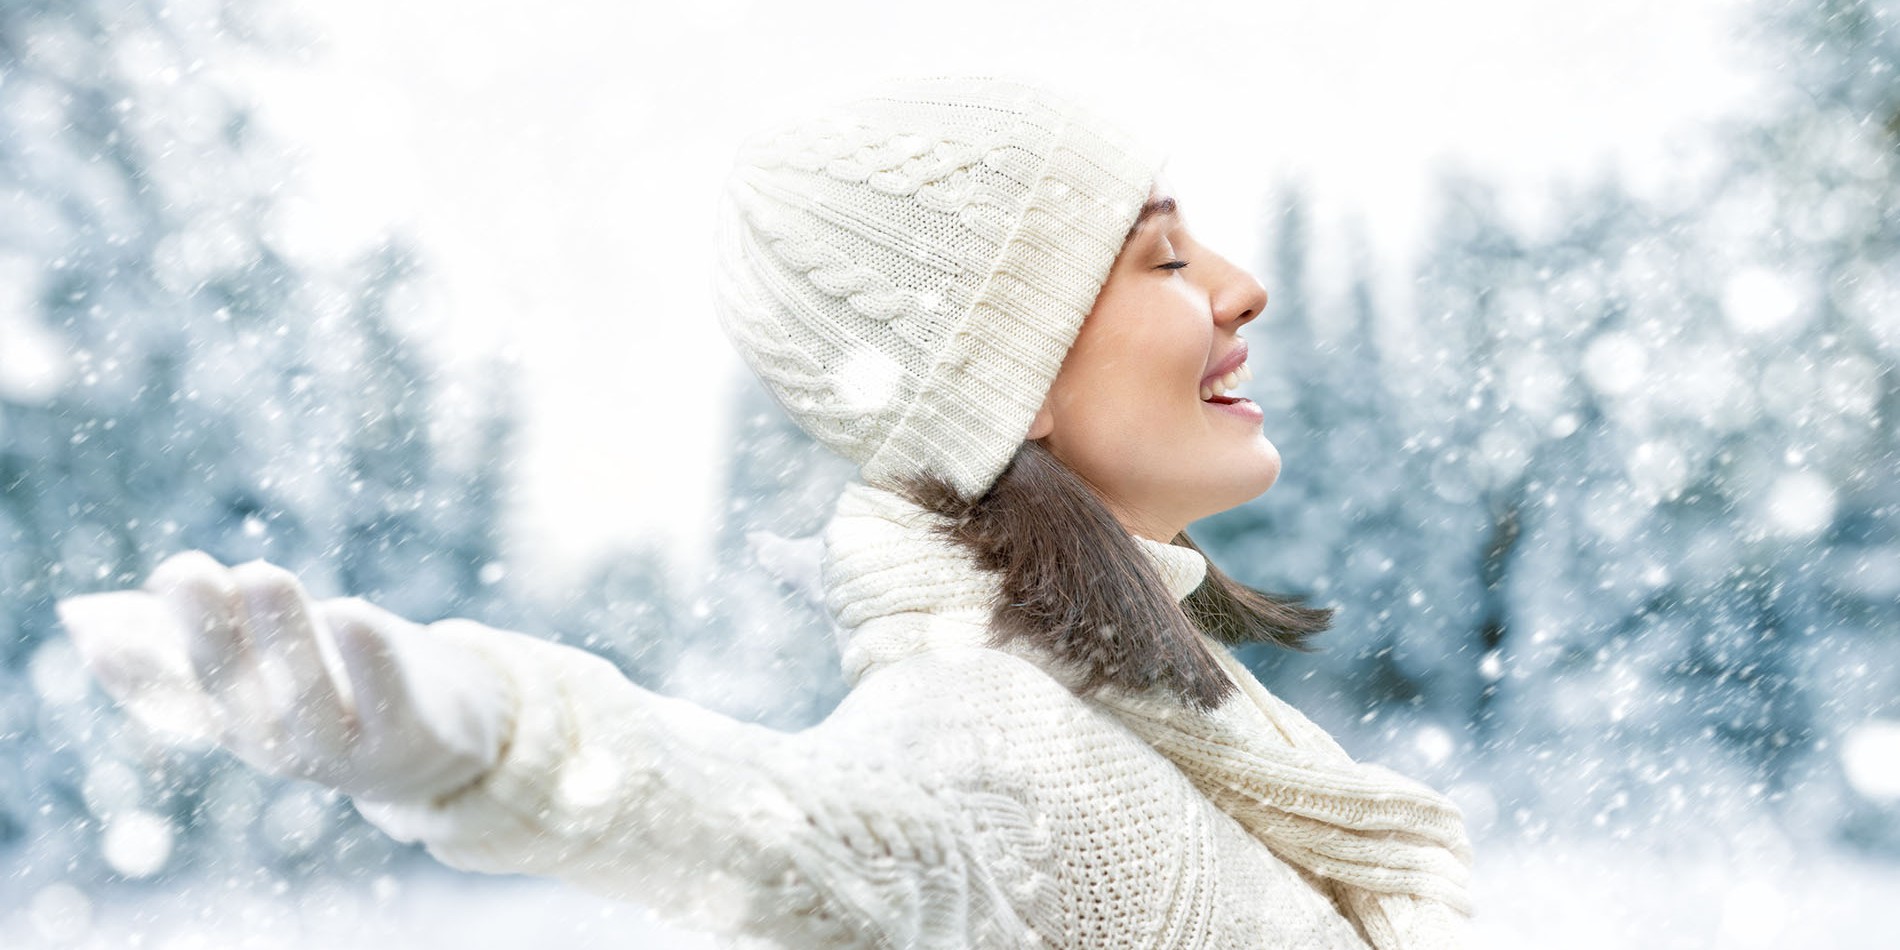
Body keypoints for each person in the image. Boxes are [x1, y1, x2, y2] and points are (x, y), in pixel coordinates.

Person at [56, 75, 1475, 948]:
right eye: (1162, 255)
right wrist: (491, 732)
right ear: (1010, 382)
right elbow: (801, 834)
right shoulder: (988, 721)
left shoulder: (1156, 714)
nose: (1239, 284)